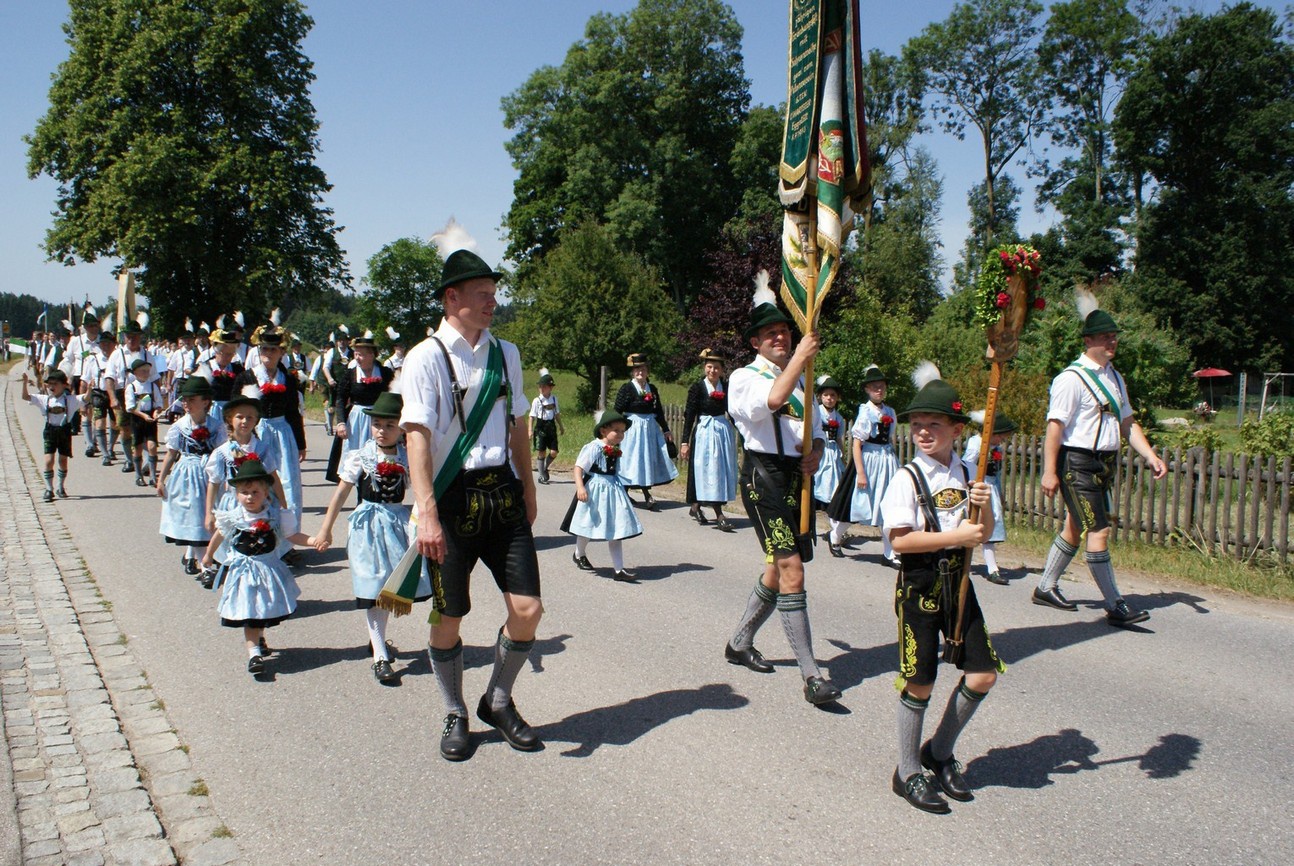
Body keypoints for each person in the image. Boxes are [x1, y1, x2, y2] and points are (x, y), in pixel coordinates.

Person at [399, 244, 542, 762]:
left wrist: (528, 487)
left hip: (502, 493)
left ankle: (496, 701)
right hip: (450, 499)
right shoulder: (425, 357)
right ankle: (454, 710)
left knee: (528, 610)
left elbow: (518, 424)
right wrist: (427, 513)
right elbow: (416, 437)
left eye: (493, 293)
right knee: (449, 616)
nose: (492, 302)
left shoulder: (508, 353)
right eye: (482, 293)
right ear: (451, 297)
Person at [879, 367, 1004, 814]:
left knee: (983, 673)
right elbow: (900, 541)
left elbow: (983, 533)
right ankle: (907, 770)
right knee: (921, 681)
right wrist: (956, 537)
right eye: (917, 424)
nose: (923, 432)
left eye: (934, 424)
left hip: (960, 582)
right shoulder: (907, 478)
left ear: (956, 430)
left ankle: (939, 751)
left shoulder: (971, 471)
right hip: (920, 584)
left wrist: (983, 511)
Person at [722, 284, 840, 707]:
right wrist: (801, 359)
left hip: (794, 479)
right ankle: (812, 676)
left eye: (785, 332)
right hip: (763, 478)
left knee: (777, 568)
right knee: (792, 568)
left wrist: (817, 452)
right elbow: (772, 400)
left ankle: (739, 642)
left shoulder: (802, 379)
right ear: (755, 342)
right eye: (770, 333)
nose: (780, 337)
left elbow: (818, 430)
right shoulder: (743, 378)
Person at [1032, 305, 1167, 626]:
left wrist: (1150, 455)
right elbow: (1055, 428)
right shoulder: (1070, 379)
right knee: (1099, 530)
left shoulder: (1115, 377)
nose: (1112, 341)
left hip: (1104, 464)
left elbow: (1127, 422)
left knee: (1074, 526)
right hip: (1076, 463)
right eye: (1105, 336)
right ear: (1088, 340)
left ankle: (1045, 587)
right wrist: (1049, 471)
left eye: (1114, 336)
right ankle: (1115, 604)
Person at [314, 392, 430, 684]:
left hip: (397, 524)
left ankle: (377, 639)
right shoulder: (360, 456)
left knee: (389, 588)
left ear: (401, 429)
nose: (381, 430)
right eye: (376, 424)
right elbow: (341, 493)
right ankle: (380, 657)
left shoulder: (407, 456)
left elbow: (421, 489)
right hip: (368, 526)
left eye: (389, 425)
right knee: (372, 587)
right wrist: (326, 528)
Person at [201, 459, 313, 677]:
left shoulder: (275, 516)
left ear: (265, 492)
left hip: (268, 569)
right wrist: (208, 555)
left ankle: (260, 637)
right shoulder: (234, 517)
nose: (250, 497)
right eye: (244, 492)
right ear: (236, 495)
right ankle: (254, 654)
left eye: (255, 492)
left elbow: (292, 535)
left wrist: (313, 541)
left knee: (261, 608)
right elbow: (219, 535)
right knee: (249, 611)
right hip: (243, 572)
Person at [233, 325, 306, 527]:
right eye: (264, 349)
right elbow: (235, 411)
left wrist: (300, 443)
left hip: (283, 433)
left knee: (287, 483)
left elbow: (293, 413)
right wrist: (238, 439)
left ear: (281, 352)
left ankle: (287, 534)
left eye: (273, 349)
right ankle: (255, 529)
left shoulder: (288, 379)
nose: (268, 353)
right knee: (258, 481)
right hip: (256, 432)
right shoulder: (247, 377)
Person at [829, 365, 900, 565]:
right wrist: (860, 472)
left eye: (882, 386)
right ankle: (835, 536)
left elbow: (890, 439)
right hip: (868, 461)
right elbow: (856, 444)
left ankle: (889, 553)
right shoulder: (866, 411)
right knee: (857, 504)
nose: (879, 390)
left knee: (889, 506)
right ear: (867, 389)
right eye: (875, 387)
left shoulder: (890, 411)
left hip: (886, 461)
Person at [561, 410, 643, 581]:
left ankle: (619, 570)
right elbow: (578, 468)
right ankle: (579, 553)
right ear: (603, 430)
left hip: (613, 490)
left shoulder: (616, 448)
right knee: (588, 524)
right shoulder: (594, 447)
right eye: (616, 430)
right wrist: (580, 488)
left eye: (622, 431)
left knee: (617, 528)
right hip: (595, 490)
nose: (620, 434)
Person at [157, 377, 227, 574]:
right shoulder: (180, 426)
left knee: (207, 513)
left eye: (191, 399)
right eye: (184, 400)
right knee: (193, 514)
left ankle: (192, 555)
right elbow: (171, 454)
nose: (186, 404)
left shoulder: (216, 426)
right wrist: (161, 479)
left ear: (205, 402)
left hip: (209, 473)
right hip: (187, 474)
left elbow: (223, 452)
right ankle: (205, 566)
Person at [680, 349, 738, 530]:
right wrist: (684, 442)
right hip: (704, 433)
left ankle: (696, 506)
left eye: (717, 368)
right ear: (704, 368)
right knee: (706, 470)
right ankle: (719, 514)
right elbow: (690, 416)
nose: (713, 371)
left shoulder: (726, 387)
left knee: (718, 471)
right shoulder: (697, 388)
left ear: (722, 370)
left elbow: (733, 412)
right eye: (710, 367)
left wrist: (745, 434)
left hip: (722, 432)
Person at [612, 353, 677, 509]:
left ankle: (632, 493)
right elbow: (617, 410)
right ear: (632, 372)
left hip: (649, 430)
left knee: (645, 460)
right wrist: (614, 431)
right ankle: (645, 495)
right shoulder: (627, 388)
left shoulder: (652, 389)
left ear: (647, 371)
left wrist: (666, 430)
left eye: (643, 369)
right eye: (637, 370)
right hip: (631, 430)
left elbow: (658, 411)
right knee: (631, 460)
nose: (640, 372)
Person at [327, 331, 392, 483]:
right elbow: (340, 399)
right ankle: (357, 488)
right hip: (357, 420)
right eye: (355, 354)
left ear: (372, 355)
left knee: (378, 457)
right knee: (354, 459)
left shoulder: (385, 373)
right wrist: (341, 422)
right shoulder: (350, 374)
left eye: (361, 354)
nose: (357, 358)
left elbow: (394, 396)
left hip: (378, 420)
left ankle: (374, 488)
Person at [962, 413, 1017, 585]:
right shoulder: (976, 444)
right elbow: (967, 466)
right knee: (971, 526)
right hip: (978, 488)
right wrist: (968, 488)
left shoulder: (997, 449)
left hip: (991, 489)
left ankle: (992, 569)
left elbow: (996, 473)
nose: (1001, 439)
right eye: (999, 435)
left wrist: (999, 492)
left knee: (989, 528)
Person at [104, 320, 157, 476]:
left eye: (135, 336)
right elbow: (109, 378)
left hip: (143, 394)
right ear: (124, 337)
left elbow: (155, 377)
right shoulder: (117, 354)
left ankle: (145, 462)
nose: (131, 339)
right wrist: (112, 398)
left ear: (140, 337)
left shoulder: (147, 354)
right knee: (125, 428)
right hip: (123, 394)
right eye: (128, 336)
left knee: (144, 426)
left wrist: (157, 398)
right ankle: (129, 460)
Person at [22, 370, 81, 502]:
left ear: (64, 385)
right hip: (50, 431)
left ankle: (61, 486)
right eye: (50, 384)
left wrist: (89, 389)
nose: (51, 387)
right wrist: (25, 383)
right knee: (49, 460)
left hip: (64, 431)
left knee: (63, 461)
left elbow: (85, 399)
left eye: (55, 384)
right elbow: (25, 397)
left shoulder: (70, 400)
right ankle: (49, 489)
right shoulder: (44, 399)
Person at [811, 376, 847, 555]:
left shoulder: (839, 417)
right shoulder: (816, 412)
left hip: (832, 454)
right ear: (820, 397)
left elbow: (839, 438)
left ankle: (835, 528)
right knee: (816, 486)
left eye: (833, 395)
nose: (829, 399)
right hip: (819, 452)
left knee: (833, 489)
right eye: (826, 395)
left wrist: (843, 454)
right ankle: (808, 523)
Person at [528, 369, 563, 485]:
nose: (541, 389)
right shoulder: (537, 401)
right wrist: (530, 430)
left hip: (551, 426)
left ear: (550, 388)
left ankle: (544, 468)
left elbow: (557, 414)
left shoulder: (554, 399)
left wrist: (561, 426)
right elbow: (531, 416)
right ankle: (541, 476)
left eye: (544, 386)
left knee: (554, 452)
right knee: (541, 452)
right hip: (541, 427)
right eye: (540, 386)